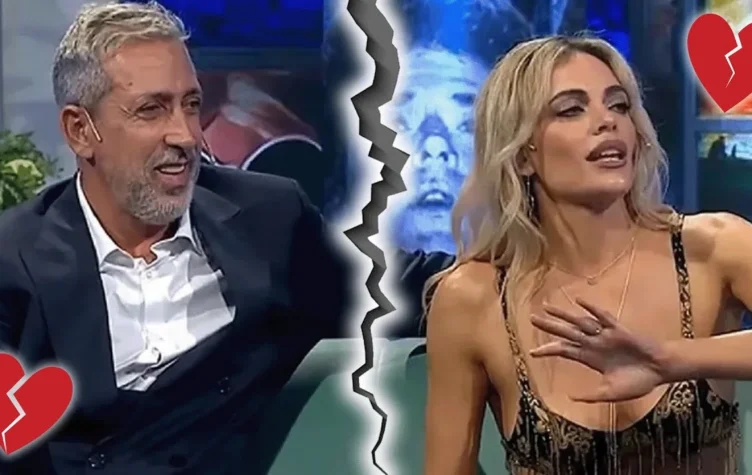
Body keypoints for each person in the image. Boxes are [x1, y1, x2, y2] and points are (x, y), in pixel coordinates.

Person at [0, 3, 353, 474]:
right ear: (80, 131)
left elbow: (387, 285)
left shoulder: (268, 218)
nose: (185, 135)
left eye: (191, 105)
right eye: (152, 110)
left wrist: (457, 283)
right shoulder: (14, 260)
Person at [423, 35, 747, 475]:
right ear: (522, 155)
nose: (607, 121)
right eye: (571, 110)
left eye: (619, 105)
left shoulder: (714, 247)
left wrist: (670, 359)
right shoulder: (472, 298)